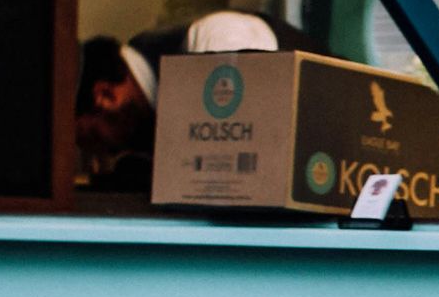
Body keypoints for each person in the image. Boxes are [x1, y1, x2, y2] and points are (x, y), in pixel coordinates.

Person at [74, 11, 285, 195]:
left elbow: (234, 169)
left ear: (106, 95)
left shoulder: (216, 37)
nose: (103, 152)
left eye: (94, 137)